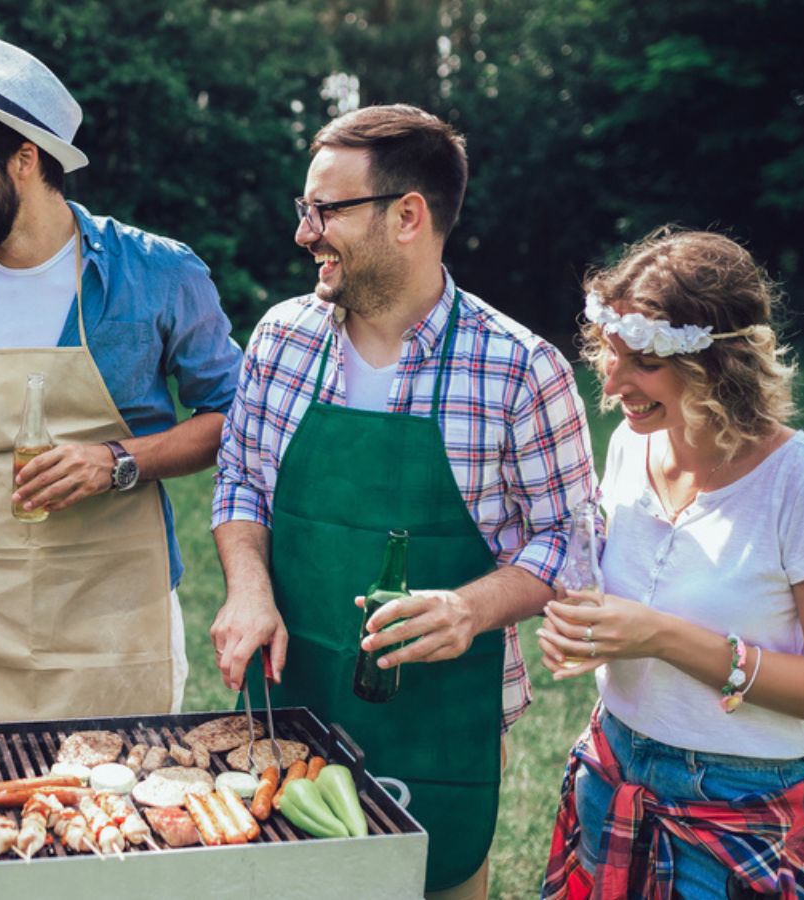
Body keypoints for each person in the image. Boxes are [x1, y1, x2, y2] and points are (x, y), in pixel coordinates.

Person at [207, 104, 594, 898]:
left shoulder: (521, 369)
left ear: (408, 215)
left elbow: (572, 540)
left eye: (325, 211)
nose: (304, 232)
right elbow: (240, 479)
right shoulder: (281, 338)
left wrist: (469, 608)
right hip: (291, 695)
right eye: (303, 209)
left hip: (444, 717)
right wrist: (249, 588)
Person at [0, 39, 243, 722]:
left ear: (25, 157)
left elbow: (234, 420)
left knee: (120, 819)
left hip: (120, 619)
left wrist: (116, 462)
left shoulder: (158, 275)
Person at [538, 229, 804, 899]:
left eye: (644, 363)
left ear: (722, 365)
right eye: (609, 350)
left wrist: (658, 636)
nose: (610, 377)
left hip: (741, 803)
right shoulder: (634, 446)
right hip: (613, 767)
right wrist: (591, 635)